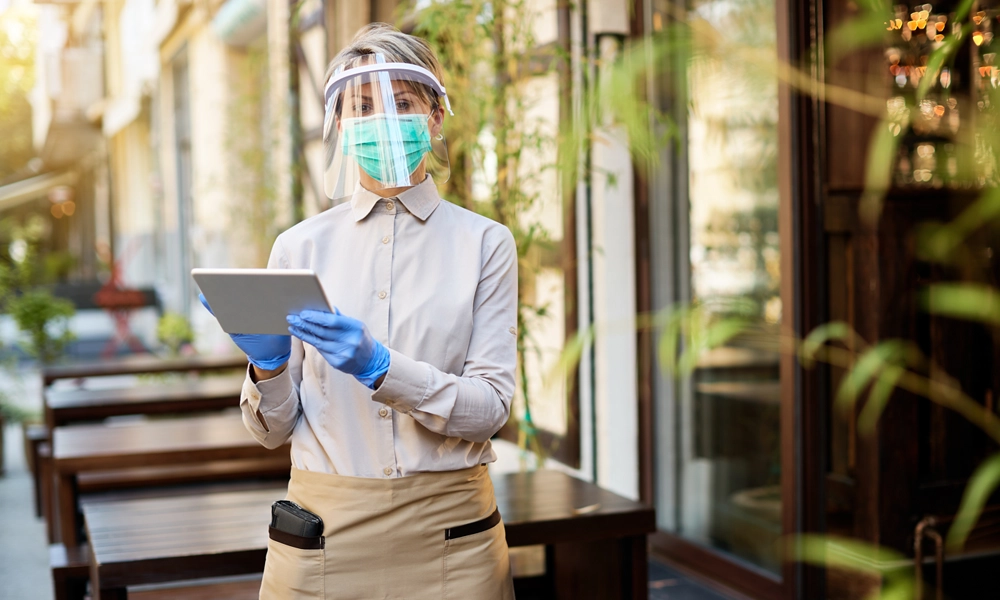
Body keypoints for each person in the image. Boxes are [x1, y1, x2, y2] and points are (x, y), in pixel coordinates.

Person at [200, 22, 517, 599]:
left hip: (452, 537)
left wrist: (382, 368)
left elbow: (490, 412)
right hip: (323, 537)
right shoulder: (299, 248)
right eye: (363, 107)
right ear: (341, 127)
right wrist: (267, 370)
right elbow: (271, 434)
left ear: (436, 117)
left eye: (403, 103)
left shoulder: (486, 244)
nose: (384, 122)